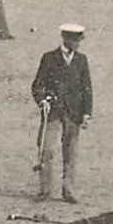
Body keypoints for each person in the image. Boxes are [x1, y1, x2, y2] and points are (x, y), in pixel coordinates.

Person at [32, 23, 94, 203]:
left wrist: (87, 113)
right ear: (65, 38)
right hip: (52, 112)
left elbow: (87, 88)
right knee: (47, 149)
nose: (78, 43)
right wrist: (42, 100)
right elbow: (37, 85)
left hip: (73, 113)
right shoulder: (49, 58)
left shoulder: (82, 60)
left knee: (71, 152)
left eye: (79, 40)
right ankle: (45, 190)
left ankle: (69, 191)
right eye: (74, 40)